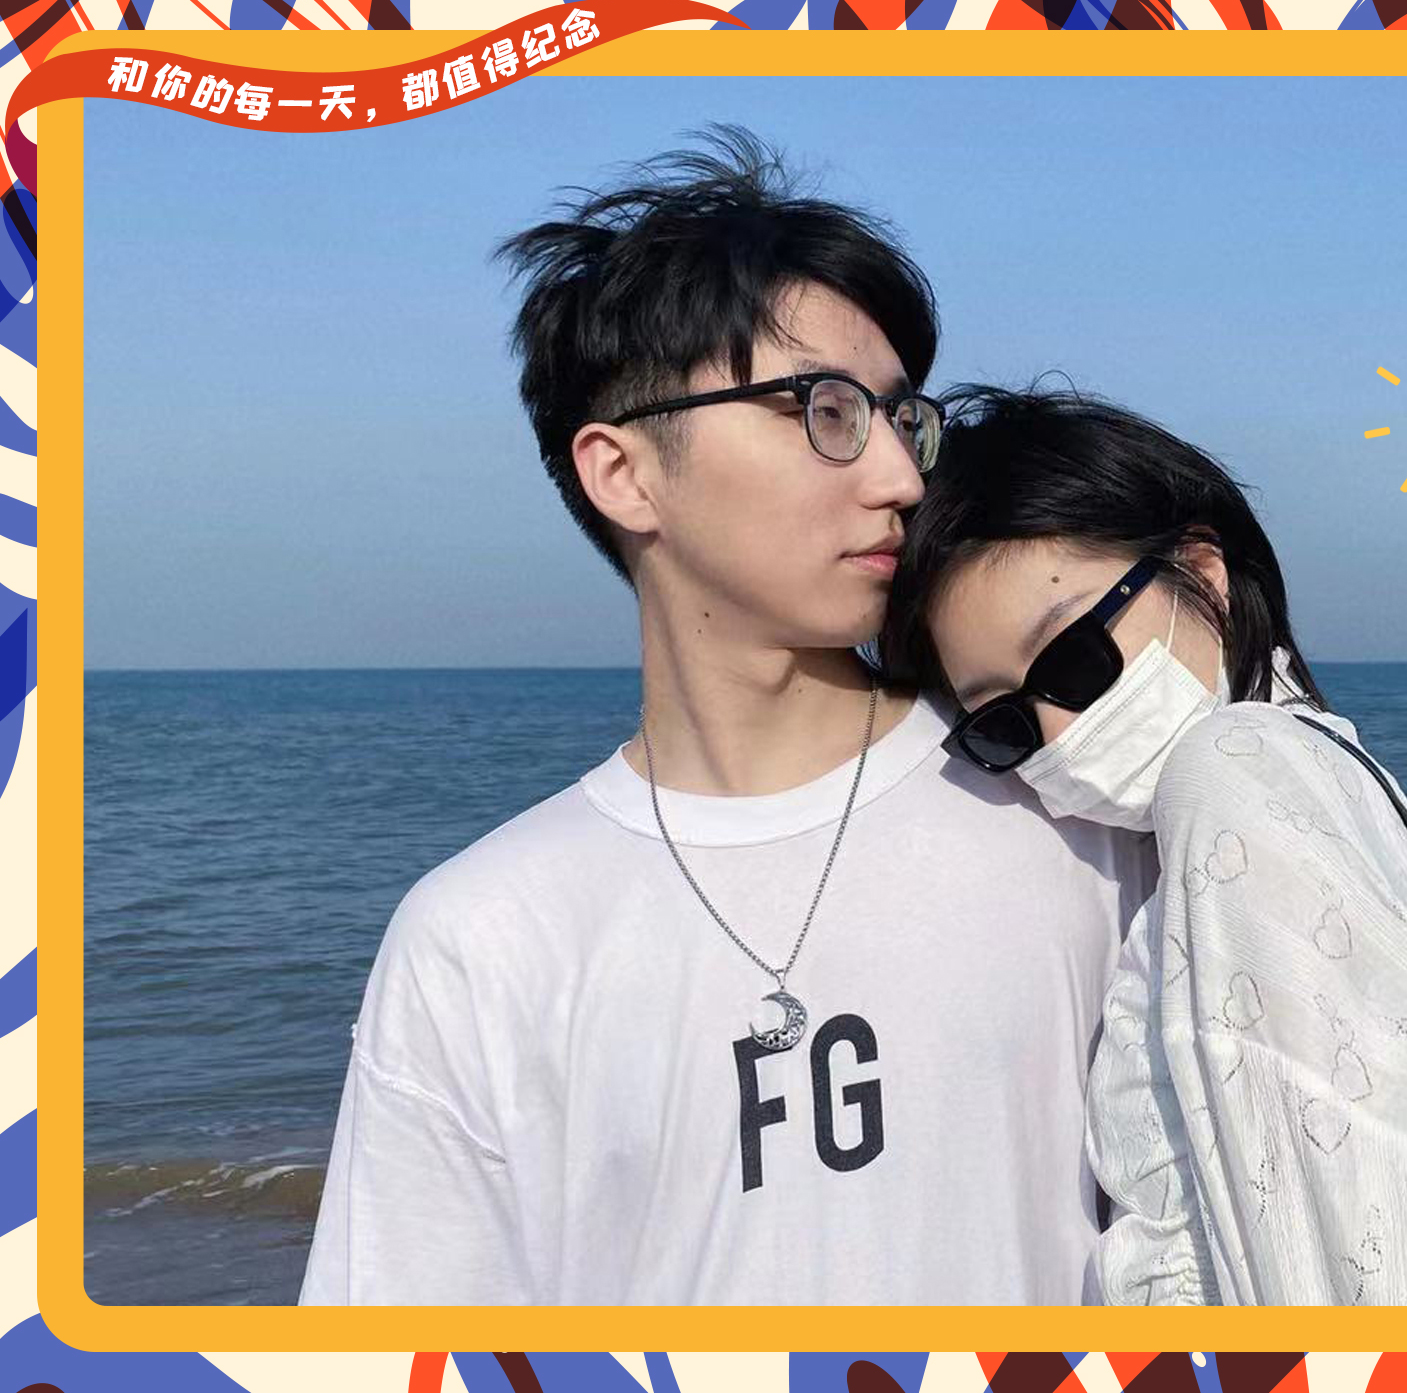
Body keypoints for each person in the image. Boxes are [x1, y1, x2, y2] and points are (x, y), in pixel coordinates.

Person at [298, 131, 1148, 1305]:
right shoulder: (482, 937)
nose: (901, 478)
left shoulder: (1069, 802)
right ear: (623, 474)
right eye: (826, 411)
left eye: (903, 419)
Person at [879, 386, 1407, 1306]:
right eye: (1005, 724)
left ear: (1203, 571)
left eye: (1073, 659)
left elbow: (1364, 1261)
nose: (1059, 731)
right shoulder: (1328, 771)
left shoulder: (1236, 770)